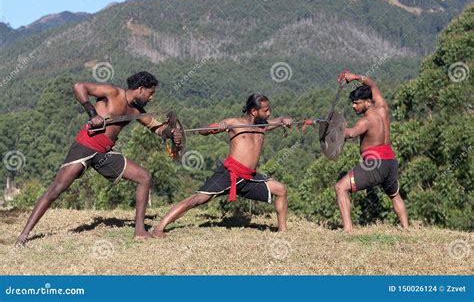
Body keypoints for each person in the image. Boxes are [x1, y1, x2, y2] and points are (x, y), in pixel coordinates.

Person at [15, 71, 181, 246]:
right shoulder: (113, 92)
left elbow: (157, 128)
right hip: (85, 146)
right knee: (56, 189)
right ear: (141, 89)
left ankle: (139, 231)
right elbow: (79, 87)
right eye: (150, 92)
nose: (151, 97)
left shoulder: (136, 110)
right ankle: (24, 235)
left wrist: (172, 133)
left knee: (144, 177)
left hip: (105, 153)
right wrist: (92, 113)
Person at [153, 93, 292, 237]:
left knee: (281, 189)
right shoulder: (234, 123)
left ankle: (283, 231)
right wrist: (217, 127)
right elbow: (203, 131)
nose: (269, 113)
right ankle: (159, 228)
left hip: (249, 177)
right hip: (229, 174)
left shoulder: (263, 125)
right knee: (197, 199)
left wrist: (284, 120)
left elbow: (280, 120)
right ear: (254, 111)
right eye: (266, 110)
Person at [334, 71, 408, 233]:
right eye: (353, 103)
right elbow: (372, 84)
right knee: (394, 195)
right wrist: (354, 77)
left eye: (357, 103)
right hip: (391, 162)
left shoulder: (366, 120)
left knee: (341, 187)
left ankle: (347, 229)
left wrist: (334, 129)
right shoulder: (382, 108)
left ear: (368, 102)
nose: (354, 106)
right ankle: (406, 228)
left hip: (375, 163)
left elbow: (351, 133)